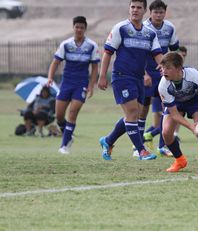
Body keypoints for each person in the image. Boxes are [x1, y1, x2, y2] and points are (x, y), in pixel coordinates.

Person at [98, 0, 163, 161]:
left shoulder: (150, 33)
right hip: (122, 76)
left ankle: (108, 141)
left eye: (139, 7)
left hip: (138, 79)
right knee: (133, 113)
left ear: (144, 10)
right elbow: (107, 52)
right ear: (129, 9)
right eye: (132, 7)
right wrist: (102, 76)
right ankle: (141, 150)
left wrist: (168, 71)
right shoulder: (121, 28)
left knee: (133, 115)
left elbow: (158, 56)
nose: (135, 10)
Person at [158, 52, 198, 172]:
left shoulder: (195, 76)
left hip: (195, 100)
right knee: (166, 133)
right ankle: (180, 160)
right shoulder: (163, 86)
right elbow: (174, 114)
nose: (164, 71)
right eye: (163, 67)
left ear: (179, 68)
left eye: (168, 68)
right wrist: (191, 126)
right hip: (177, 103)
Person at [47, 16, 100, 154]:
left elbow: (95, 68)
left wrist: (91, 85)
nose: (79, 29)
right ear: (73, 28)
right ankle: (68, 136)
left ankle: (64, 145)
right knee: (59, 116)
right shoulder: (66, 44)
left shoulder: (91, 46)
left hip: (81, 84)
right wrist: (50, 77)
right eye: (77, 27)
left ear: (85, 29)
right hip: (66, 83)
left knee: (73, 113)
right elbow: (55, 62)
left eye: (82, 27)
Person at [137, 0, 179, 157]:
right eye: (156, 12)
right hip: (147, 73)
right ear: (150, 13)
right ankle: (138, 146)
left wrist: (177, 71)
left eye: (161, 12)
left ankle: (164, 145)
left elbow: (175, 51)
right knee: (143, 109)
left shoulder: (169, 28)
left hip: (164, 73)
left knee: (166, 108)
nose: (158, 15)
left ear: (165, 13)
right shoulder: (144, 28)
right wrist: (144, 73)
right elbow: (139, 53)